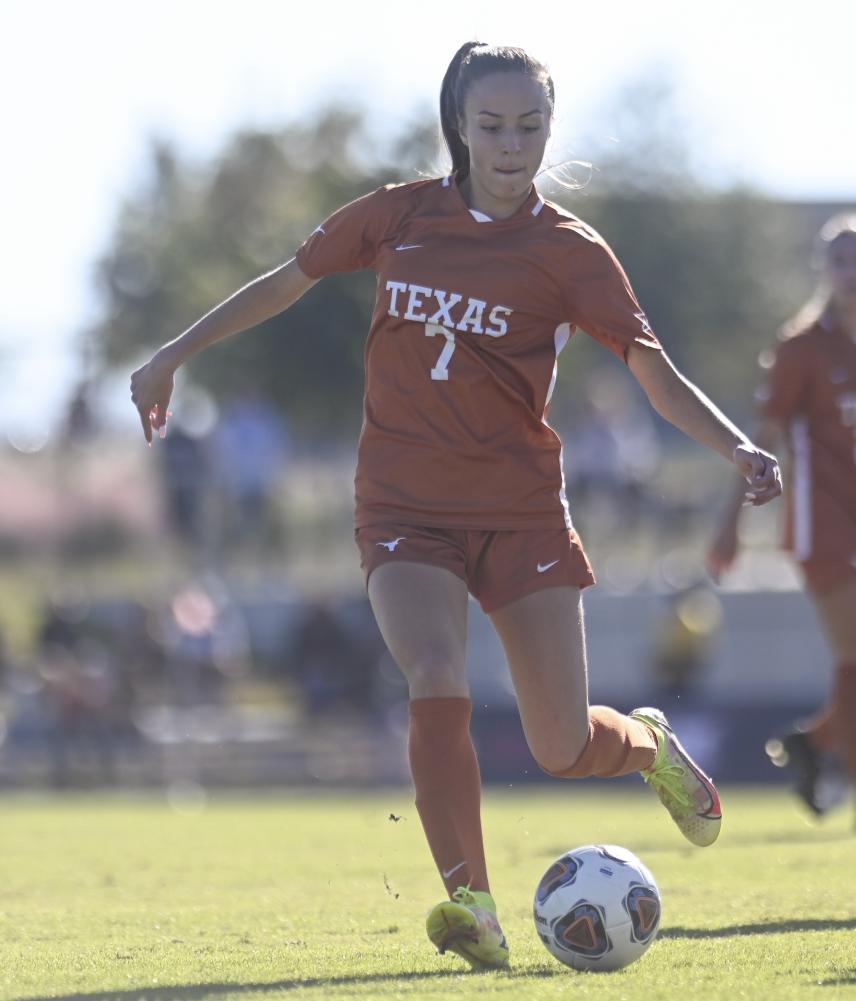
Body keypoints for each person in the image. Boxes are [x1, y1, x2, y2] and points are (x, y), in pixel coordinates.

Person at [129, 42, 781, 973]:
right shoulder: (397, 217)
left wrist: (738, 447)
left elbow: (654, 373)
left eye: (530, 126)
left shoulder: (571, 252)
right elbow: (284, 280)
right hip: (403, 505)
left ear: (549, 131)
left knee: (560, 744)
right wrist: (171, 355)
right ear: (459, 127)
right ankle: (471, 903)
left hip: (521, 514)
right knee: (434, 671)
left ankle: (648, 746)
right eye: (492, 125)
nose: (512, 144)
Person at [708, 213, 856, 829]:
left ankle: (814, 742)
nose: (852, 272)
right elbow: (765, 439)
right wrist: (729, 524)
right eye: (841, 260)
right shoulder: (801, 349)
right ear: (825, 271)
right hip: (828, 524)